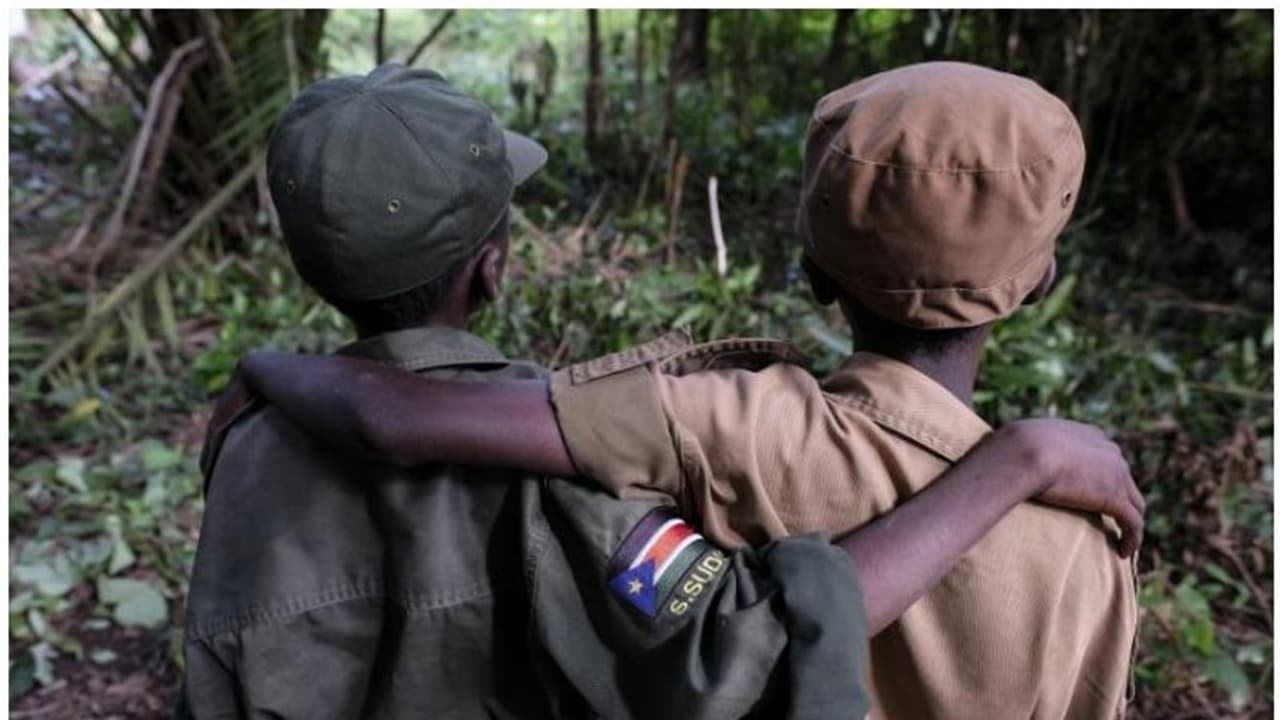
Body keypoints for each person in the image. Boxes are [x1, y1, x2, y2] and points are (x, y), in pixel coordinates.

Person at [180, 63, 1142, 719]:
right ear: (495, 267)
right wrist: (1021, 457)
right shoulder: (1086, 539)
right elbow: (731, 652)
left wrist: (263, 367)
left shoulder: (244, 448)